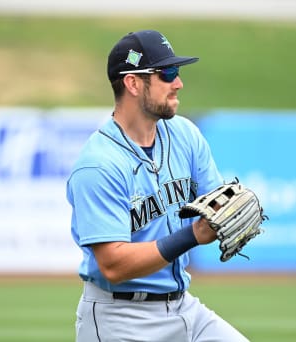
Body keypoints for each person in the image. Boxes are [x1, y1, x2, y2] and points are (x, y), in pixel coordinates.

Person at [66, 29, 249, 342]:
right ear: (133, 83)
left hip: (183, 308)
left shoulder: (184, 135)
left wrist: (227, 210)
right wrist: (193, 235)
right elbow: (113, 264)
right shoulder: (99, 164)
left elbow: (216, 202)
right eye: (168, 72)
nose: (178, 82)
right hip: (120, 318)